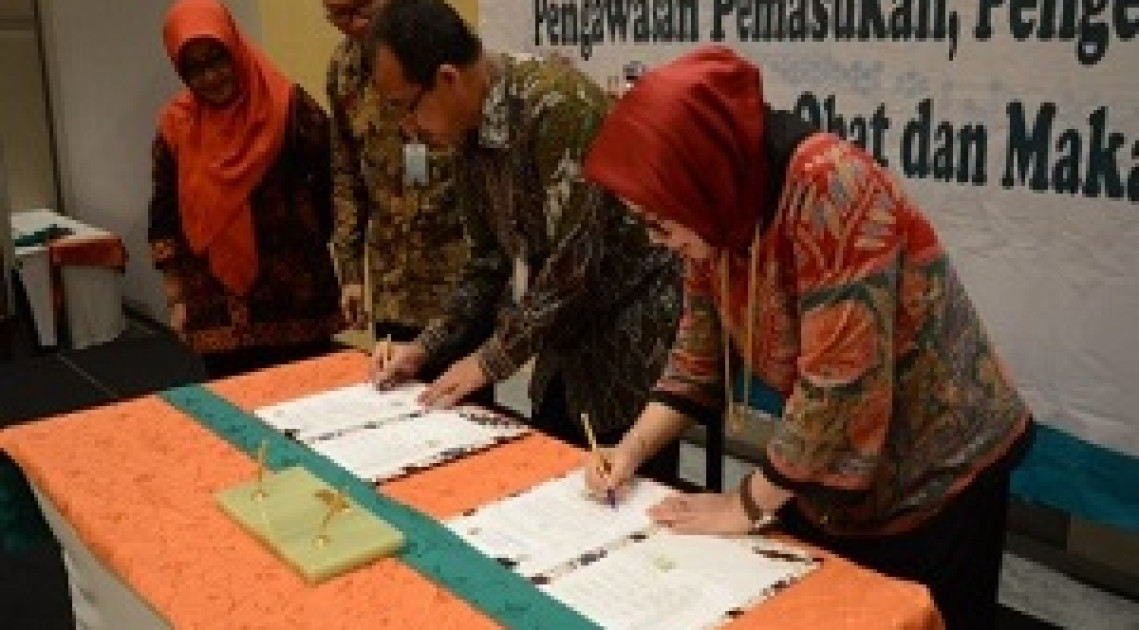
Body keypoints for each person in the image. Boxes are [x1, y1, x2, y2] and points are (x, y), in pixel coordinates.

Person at [581, 46, 1033, 630]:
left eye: (657, 223)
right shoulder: (715, 214)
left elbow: (837, 389)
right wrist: (630, 449)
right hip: (831, 470)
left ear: (699, 180)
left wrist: (743, 505)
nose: (655, 241)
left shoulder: (831, 185)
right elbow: (695, 356)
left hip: (938, 466)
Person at [365, 0, 683, 481]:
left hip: (629, 341)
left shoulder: (559, 107)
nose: (407, 128)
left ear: (447, 79)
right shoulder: (466, 132)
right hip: (564, 342)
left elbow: (573, 264)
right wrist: (425, 347)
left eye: (406, 108)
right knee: (550, 477)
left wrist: (489, 360)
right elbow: (486, 262)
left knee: (621, 496)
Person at [149, 0, 343, 379]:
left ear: (235, 48)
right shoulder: (175, 126)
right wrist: (175, 296)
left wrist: (309, 237)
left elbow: (334, 175)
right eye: (195, 69)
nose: (211, 77)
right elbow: (164, 212)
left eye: (218, 60)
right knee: (234, 409)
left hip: (295, 299)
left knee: (310, 402)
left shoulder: (287, 106)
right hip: (216, 306)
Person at [323, 0, 476, 384]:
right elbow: (345, 173)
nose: (355, 23)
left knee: (459, 400)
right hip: (392, 277)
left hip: (456, 274)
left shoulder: (436, 45)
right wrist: (351, 272)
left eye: (363, 8)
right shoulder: (343, 70)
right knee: (394, 390)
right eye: (339, 15)